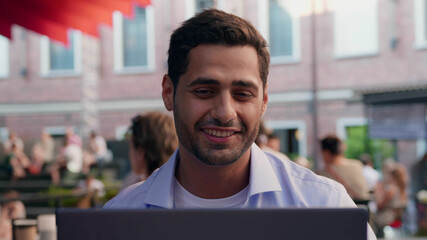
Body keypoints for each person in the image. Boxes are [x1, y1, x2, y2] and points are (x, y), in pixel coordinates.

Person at [104, 9, 375, 239]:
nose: (225, 112)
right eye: (204, 91)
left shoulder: (324, 206)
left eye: (243, 94)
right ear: (168, 93)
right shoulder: (119, 220)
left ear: (264, 100)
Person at [121, 112, 178, 189]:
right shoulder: (184, 186)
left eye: (131, 147)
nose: (129, 154)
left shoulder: (134, 193)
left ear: (141, 151)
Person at [318, 134, 370, 201]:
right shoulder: (357, 164)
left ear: (326, 153)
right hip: (360, 208)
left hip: (340, 209)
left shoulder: (322, 173)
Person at [372, 162, 408, 237]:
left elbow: (380, 206)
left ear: (392, 176)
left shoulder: (391, 190)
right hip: (397, 218)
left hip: (387, 217)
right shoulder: (403, 191)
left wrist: (377, 194)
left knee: (369, 217)